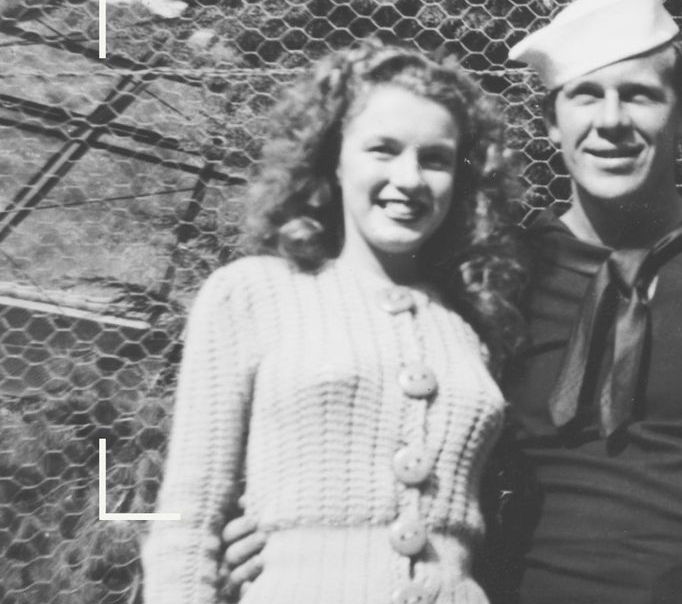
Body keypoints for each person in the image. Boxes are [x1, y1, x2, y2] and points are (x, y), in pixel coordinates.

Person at [221, 0, 682, 604]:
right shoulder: (491, 273)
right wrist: (287, 528)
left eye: (640, 96)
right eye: (584, 96)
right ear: (550, 122)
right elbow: (383, 414)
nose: (610, 121)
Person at [141, 41, 525, 604]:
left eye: (436, 159)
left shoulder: (472, 325)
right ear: (335, 159)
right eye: (383, 149)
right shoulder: (252, 293)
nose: (410, 178)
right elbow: (186, 519)